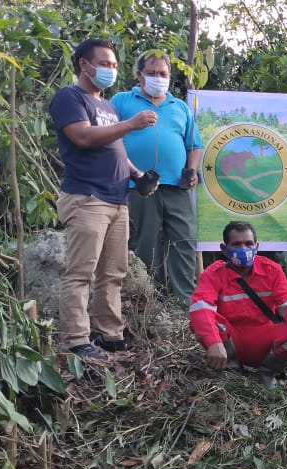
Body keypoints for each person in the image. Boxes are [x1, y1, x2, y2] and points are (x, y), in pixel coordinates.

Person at [50, 38, 157, 359]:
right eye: (105, 64)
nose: (111, 70)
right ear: (85, 65)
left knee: (113, 274)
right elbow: (82, 137)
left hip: (117, 199)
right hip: (86, 197)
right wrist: (131, 123)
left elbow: (116, 150)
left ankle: (110, 336)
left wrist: (138, 175)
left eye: (114, 65)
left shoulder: (107, 106)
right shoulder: (70, 97)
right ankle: (76, 339)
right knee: (81, 273)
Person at [111, 50, 203, 307]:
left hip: (177, 186)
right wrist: (133, 172)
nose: (157, 78)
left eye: (163, 74)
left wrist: (191, 170)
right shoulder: (121, 101)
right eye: (151, 73)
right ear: (139, 75)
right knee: (146, 241)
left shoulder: (179, 107)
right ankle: (151, 299)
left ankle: (184, 300)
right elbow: (110, 138)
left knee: (184, 240)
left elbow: (193, 144)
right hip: (138, 185)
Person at [189, 221, 287, 388]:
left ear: (257, 246)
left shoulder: (271, 270)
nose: (243, 249)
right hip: (231, 342)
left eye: (248, 244)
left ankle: (267, 372)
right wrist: (213, 342)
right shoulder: (213, 274)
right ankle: (231, 371)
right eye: (236, 244)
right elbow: (200, 309)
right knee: (204, 323)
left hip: (266, 339)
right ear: (224, 249)